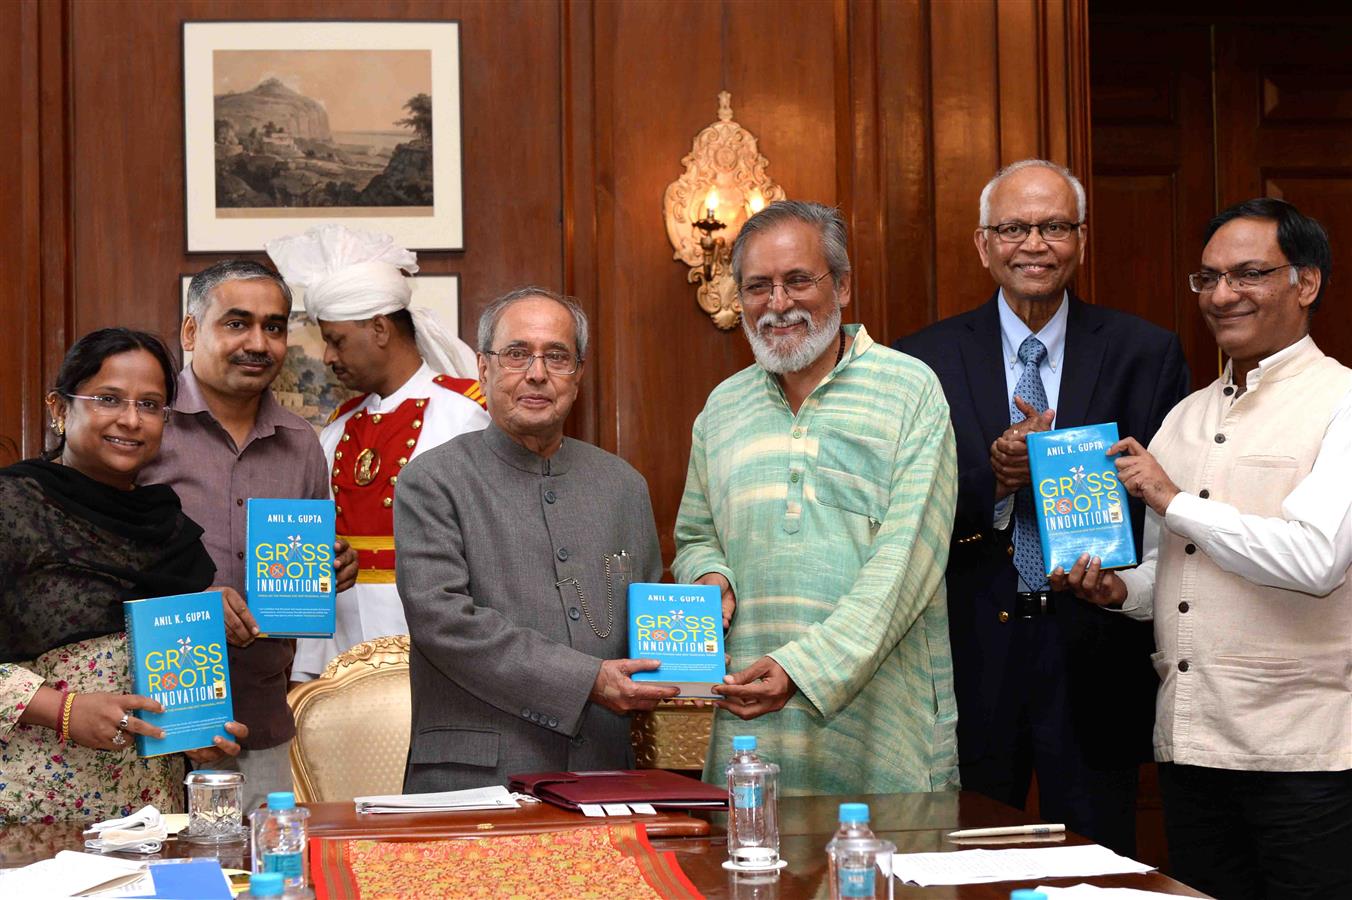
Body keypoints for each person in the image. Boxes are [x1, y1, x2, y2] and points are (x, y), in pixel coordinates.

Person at [1053, 198, 1352, 898]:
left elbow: (1316, 561)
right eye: (1208, 278)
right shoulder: (1185, 415)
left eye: (1248, 274)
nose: (1222, 295)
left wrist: (1172, 499)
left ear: (1305, 284)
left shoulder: (1342, 403)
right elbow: (1174, 572)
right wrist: (1119, 591)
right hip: (1190, 746)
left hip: (1303, 756)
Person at [894, 159, 1189, 855]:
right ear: (983, 244)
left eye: (1054, 226)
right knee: (966, 859)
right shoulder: (923, 360)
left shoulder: (1145, 352)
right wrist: (995, 483)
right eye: (1015, 228)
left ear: (1082, 240)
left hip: (1094, 646)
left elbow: (1167, 503)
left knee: (1099, 864)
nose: (1035, 244)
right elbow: (905, 510)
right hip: (970, 652)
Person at [673, 200, 959, 795]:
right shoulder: (721, 407)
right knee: (747, 880)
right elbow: (695, 537)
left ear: (844, 285)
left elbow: (905, 566)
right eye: (758, 286)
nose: (778, 304)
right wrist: (708, 576)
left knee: (882, 882)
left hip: (884, 726)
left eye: (799, 280)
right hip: (749, 726)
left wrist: (801, 670)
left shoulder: (911, 390)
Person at [394, 287, 678, 790]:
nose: (537, 373)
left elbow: (646, 616)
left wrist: (689, 663)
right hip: (474, 778)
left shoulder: (622, 485)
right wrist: (586, 679)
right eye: (517, 354)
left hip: (603, 771)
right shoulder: (432, 481)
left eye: (557, 357)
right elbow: (445, 623)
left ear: (579, 374)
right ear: (484, 368)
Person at [0, 328, 246, 824]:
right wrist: (64, 711)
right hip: (30, 812)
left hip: (152, 817)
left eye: (151, 405)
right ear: (58, 408)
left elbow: (174, 684)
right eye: (109, 399)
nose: (131, 420)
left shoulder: (169, 528)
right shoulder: (12, 506)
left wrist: (200, 739)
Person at [139, 261, 357, 812]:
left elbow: (304, 565)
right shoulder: (143, 424)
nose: (258, 342)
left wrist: (332, 571)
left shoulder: (301, 442)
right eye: (236, 323)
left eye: (275, 326)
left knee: (262, 881)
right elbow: (94, 562)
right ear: (191, 332)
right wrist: (186, 595)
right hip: (153, 718)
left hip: (260, 717)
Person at [266, 226, 490, 681]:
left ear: (380, 329)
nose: (328, 357)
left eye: (337, 340)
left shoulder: (466, 413)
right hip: (343, 653)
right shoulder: (337, 429)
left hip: (435, 646)